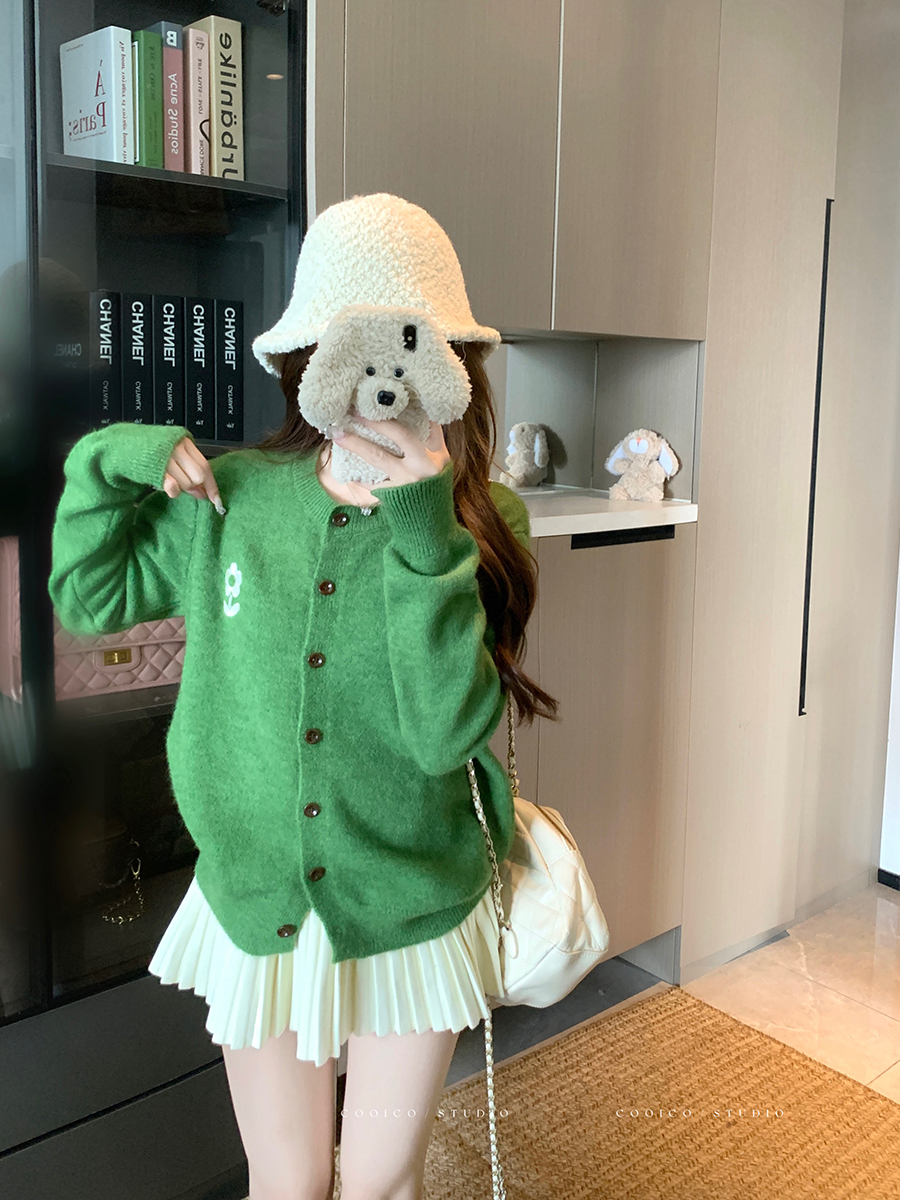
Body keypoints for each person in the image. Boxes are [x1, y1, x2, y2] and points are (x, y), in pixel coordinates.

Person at [47, 192, 558, 1200]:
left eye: (406, 350)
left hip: (411, 901)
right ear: (305, 363)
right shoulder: (232, 495)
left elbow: (444, 732)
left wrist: (422, 524)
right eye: (347, 351)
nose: (377, 384)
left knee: (379, 1183)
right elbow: (89, 595)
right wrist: (109, 457)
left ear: (451, 366)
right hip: (258, 898)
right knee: (284, 1182)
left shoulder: (483, 520)